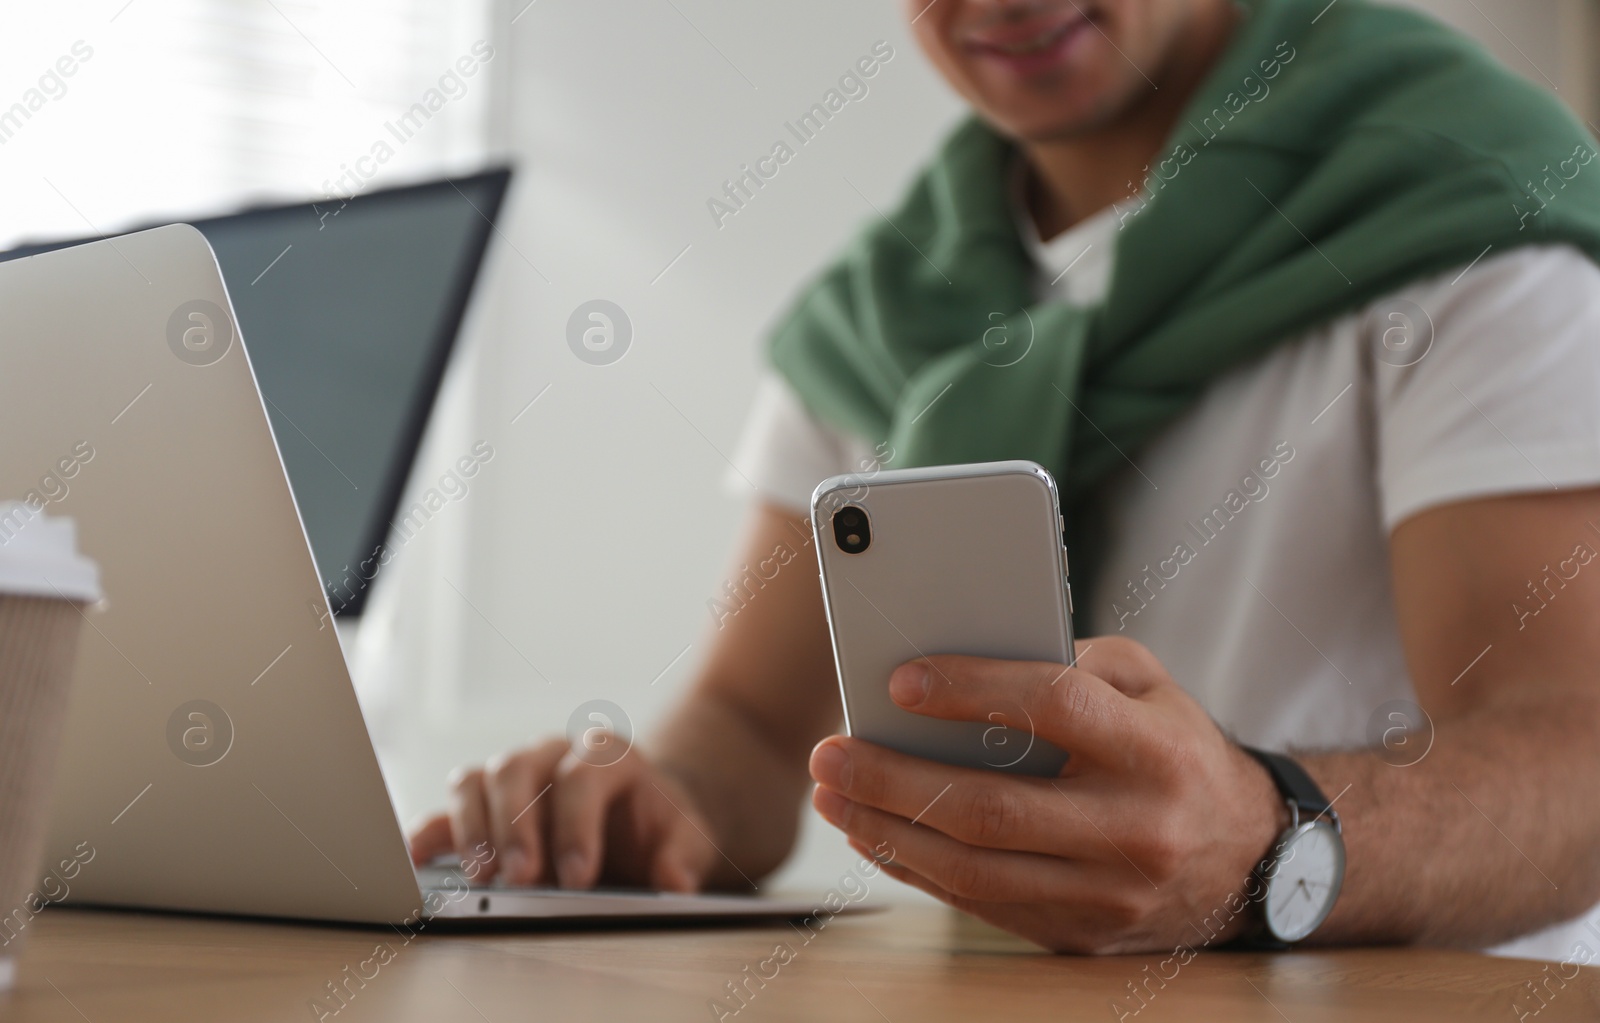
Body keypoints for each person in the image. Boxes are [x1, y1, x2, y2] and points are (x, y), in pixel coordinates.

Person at [409, 0, 1600, 960]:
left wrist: (1269, 839)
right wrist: (651, 802)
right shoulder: (875, 318)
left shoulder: (1464, 200)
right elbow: (752, 728)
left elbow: (1577, 750)